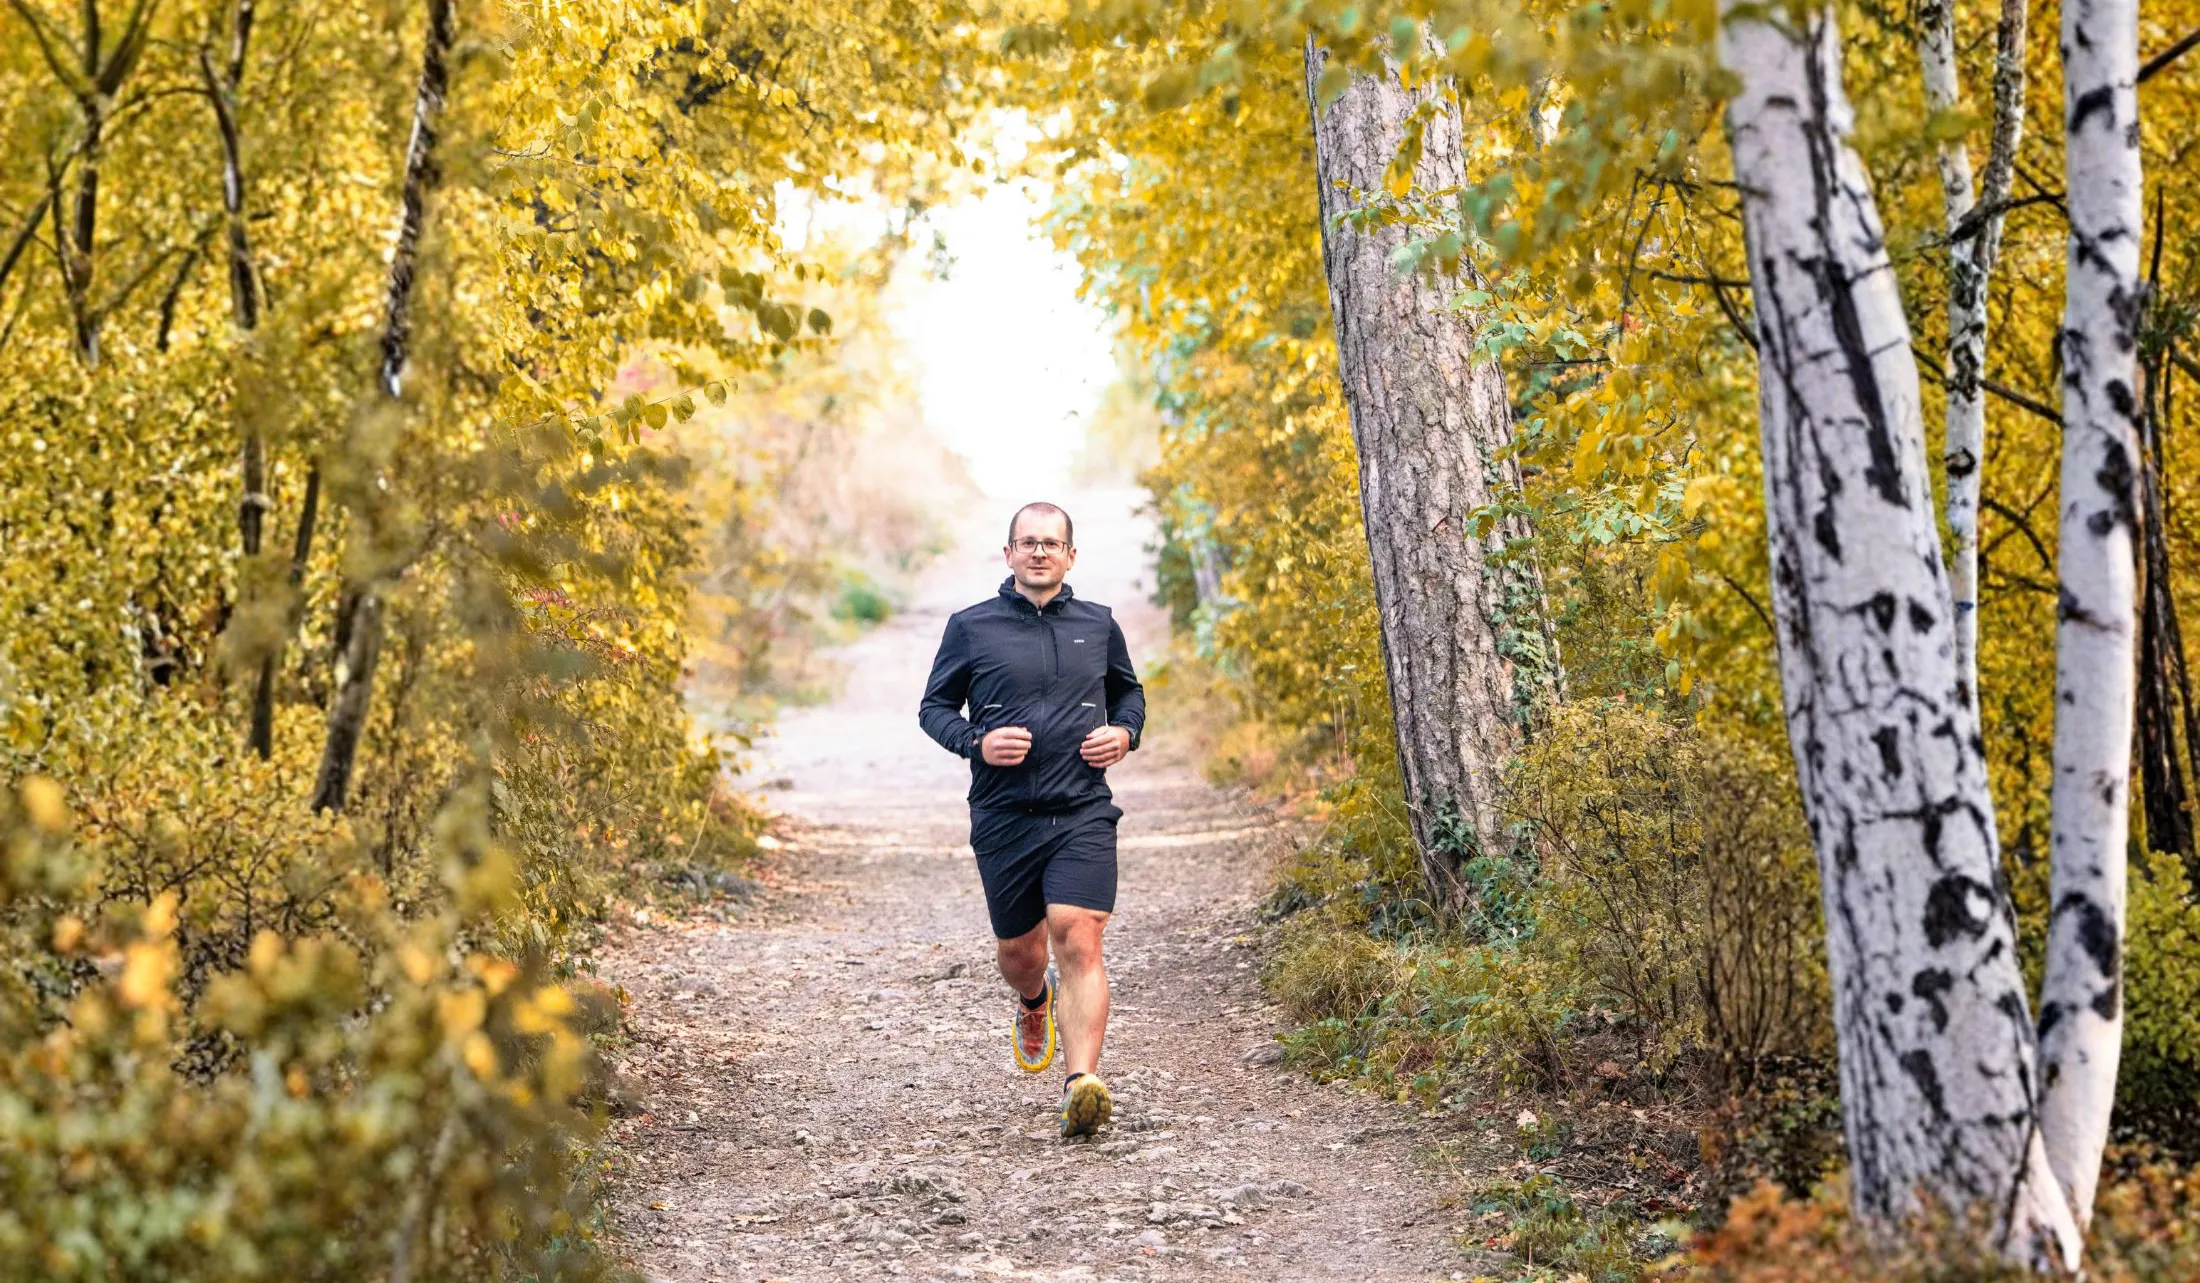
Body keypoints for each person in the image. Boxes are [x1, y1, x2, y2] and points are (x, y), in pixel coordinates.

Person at [918, 501, 1145, 1139]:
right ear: (1009, 554)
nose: (1039, 552)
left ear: (1071, 555)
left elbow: (1129, 694)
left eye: (1051, 543)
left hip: (1081, 809)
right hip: (1003, 813)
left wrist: (1124, 733)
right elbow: (934, 707)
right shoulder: (972, 627)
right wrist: (975, 743)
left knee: (1079, 937)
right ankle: (1032, 1000)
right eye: (1027, 543)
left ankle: (1082, 1084)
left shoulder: (1098, 624)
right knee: (1022, 952)